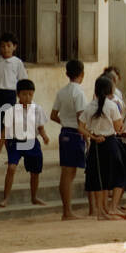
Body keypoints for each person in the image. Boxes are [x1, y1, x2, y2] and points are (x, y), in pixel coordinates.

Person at [0, 78, 48, 208]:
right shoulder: (12, 111)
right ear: (18, 94)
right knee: (11, 168)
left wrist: (44, 136)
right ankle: (6, 198)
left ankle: (34, 197)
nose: (27, 97)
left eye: (30, 94)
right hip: (15, 142)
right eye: (24, 94)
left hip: (32, 142)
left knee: (35, 172)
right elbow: (4, 133)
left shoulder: (37, 109)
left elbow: (40, 127)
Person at [79, 74, 126, 221]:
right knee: (107, 178)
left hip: (96, 144)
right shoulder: (112, 106)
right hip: (110, 142)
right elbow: (118, 127)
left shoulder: (89, 106)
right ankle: (102, 211)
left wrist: (92, 136)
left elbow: (80, 127)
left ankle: (103, 209)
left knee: (99, 178)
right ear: (109, 90)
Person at [50, 58, 87, 220]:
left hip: (64, 131)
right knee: (68, 174)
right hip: (75, 134)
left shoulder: (62, 91)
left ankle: (67, 210)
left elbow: (53, 115)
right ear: (82, 74)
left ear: (67, 74)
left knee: (66, 173)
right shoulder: (78, 92)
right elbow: (81, 117)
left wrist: (65, 122)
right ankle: (67, 211)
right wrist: (86, 134)